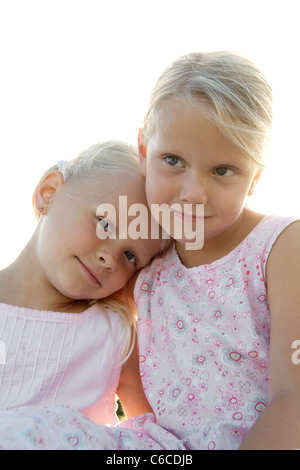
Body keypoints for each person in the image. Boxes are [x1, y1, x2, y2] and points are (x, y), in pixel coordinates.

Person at [0, 51, 299, 450]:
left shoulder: (281, 246)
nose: (193, 193)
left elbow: (294, 397)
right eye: (172, 160)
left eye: (223, 170)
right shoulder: (151, 263)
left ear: (255, 177)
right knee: (25, 433)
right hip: (161, 452)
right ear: (144, 151)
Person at [0, 140, 162, 425]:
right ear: (48, 193)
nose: (110, 258)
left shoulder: (114, 335)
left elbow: (152, 434)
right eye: (105, 223)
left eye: (130, 255)